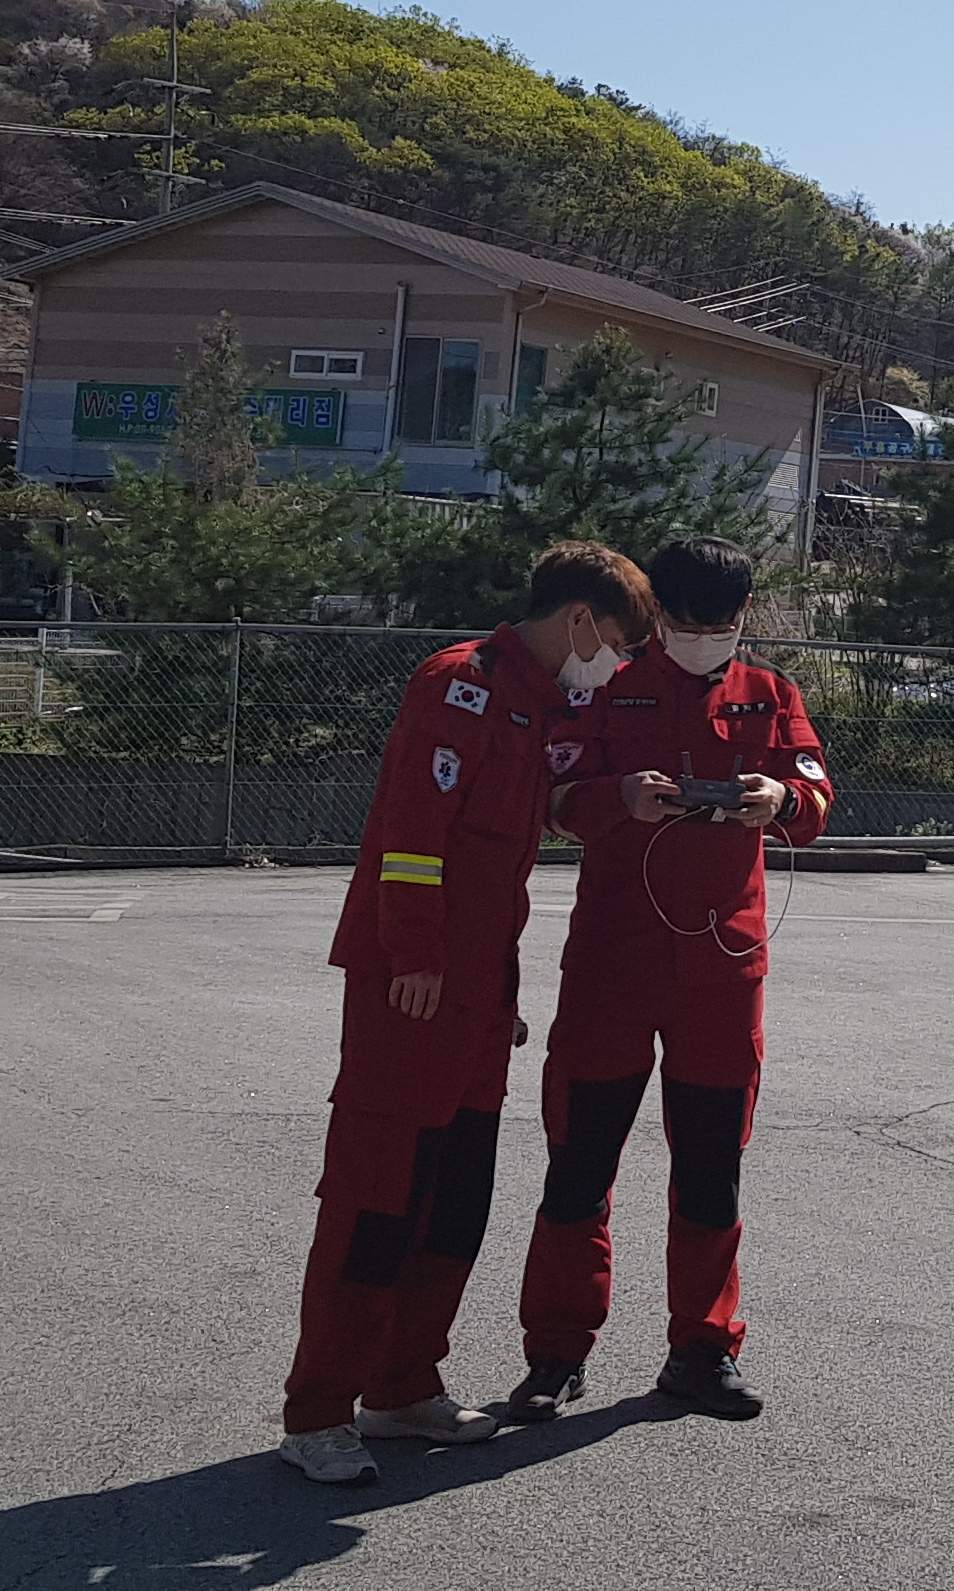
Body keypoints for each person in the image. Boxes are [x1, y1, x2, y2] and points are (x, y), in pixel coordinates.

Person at [274, 541, 654, 1487]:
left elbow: (535, 828)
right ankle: (319, 1410)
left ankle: (404, 1387)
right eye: (611, 642)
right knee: (376, 1198)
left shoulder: (534, 702)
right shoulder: (462, 686)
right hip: (416, 985)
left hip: (478, 995)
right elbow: (413, 834)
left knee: (453, 1202)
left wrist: (620, 800)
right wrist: (413, 954)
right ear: (577, 620)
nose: (609, 664)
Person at [508, 533, 833, 1423]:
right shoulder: (608, 678)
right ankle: (556, 1352)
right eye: (687, 623)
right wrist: (620, 797)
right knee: (579, 1163)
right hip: (616, 963)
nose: (705, 638)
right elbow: (557, 792)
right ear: (661, 618)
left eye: (721, 624)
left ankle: (702, 1349)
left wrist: (779, 803)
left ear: (741, 618)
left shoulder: (769, 693)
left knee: (711, 1170)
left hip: (723, 972)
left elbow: (815, 795)